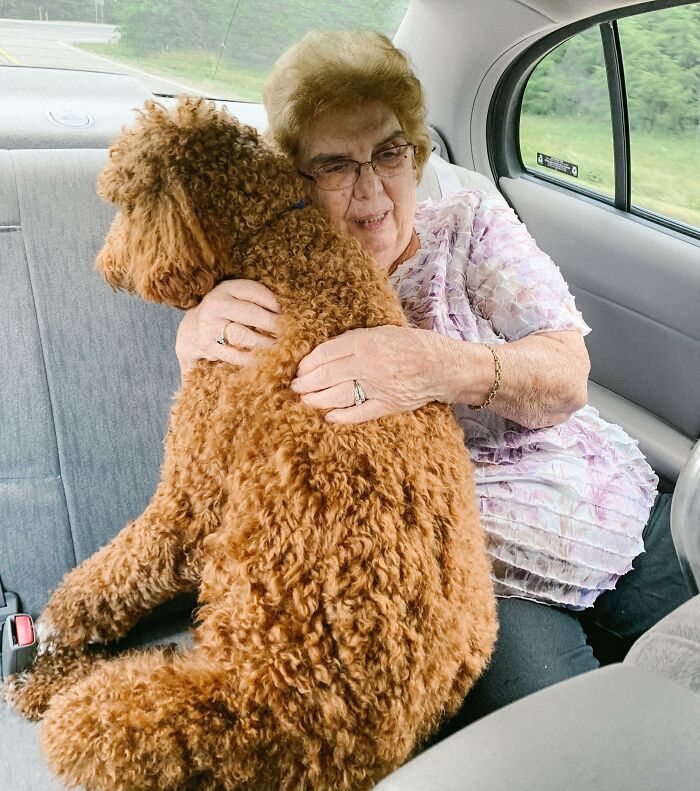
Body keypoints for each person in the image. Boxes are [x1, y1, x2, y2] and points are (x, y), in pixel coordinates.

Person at [176, 30, 691, 735]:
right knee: (573, 746)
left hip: (592, 496)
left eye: (389, 153)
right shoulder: (273, 281)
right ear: (293, 177)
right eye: (333, 164)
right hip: (462, 562)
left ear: (416, 155)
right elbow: (225, 434)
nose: (371, 192)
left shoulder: (470, 227)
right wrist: (192, 336)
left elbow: (567, 373)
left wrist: (437, 366)